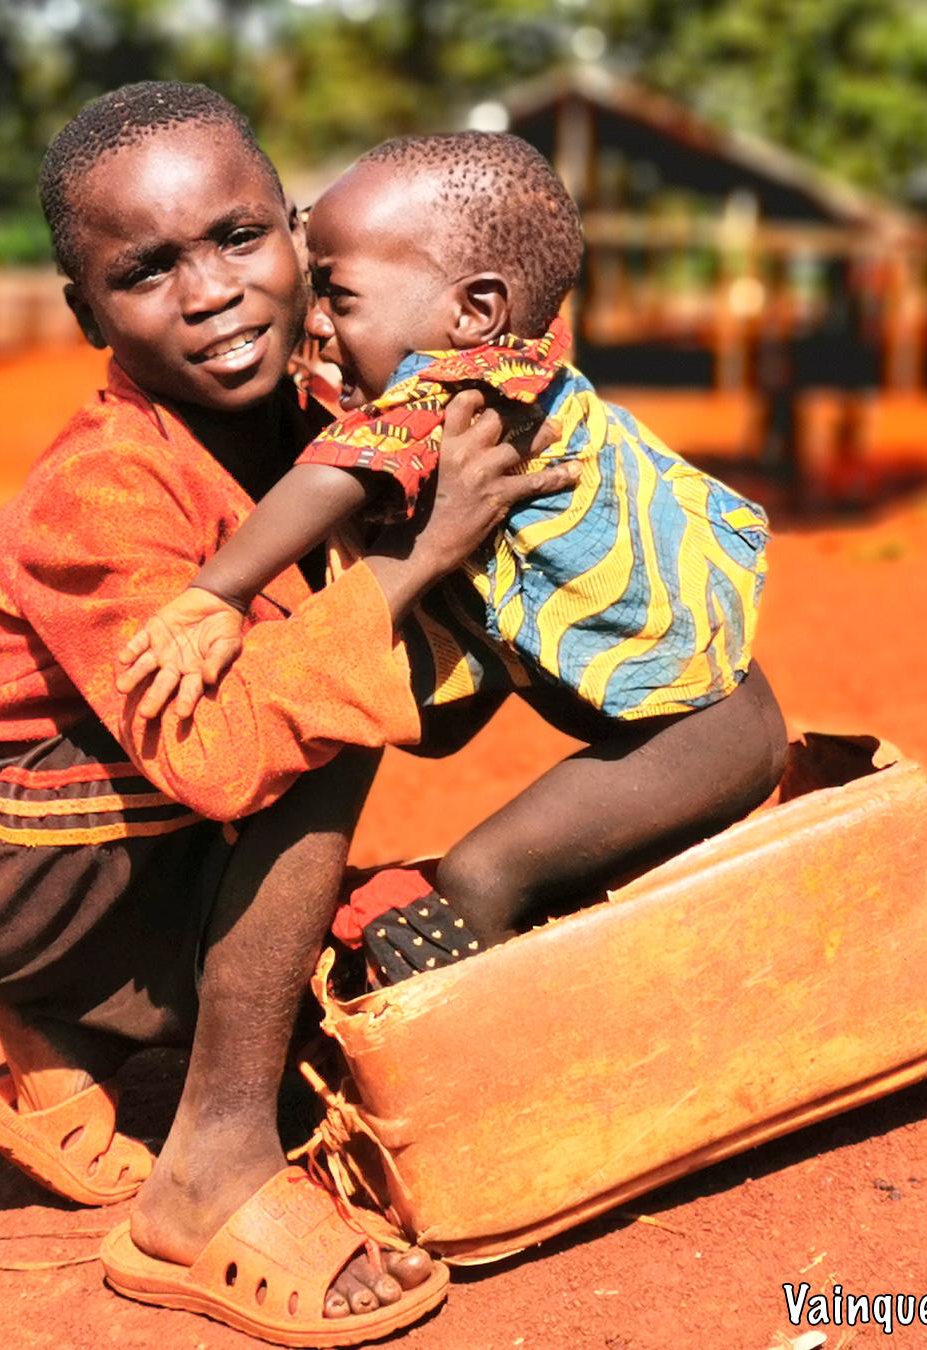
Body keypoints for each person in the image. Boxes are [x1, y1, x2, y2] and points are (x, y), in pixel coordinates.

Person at [0, 83, 578, 1344]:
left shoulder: (334, 399)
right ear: (86, 312)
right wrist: (414, 559)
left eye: (239, 238)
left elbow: (522, 323)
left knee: (366, 684)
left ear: (297, 235)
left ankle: (77, 1030)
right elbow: (226, 751)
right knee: (309, 713)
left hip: (116, 822)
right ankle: (209, 1170)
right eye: (147, 271)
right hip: (0, 855)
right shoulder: (103, 489)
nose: (210, 292)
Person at [117, 132, 789, 985]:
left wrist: (219, 591)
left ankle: (475, 985)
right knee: (552, 860)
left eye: (338, 296)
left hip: (701, 735)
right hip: (692, 715)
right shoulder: (517, 359)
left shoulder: (466, 389)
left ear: (473, 313)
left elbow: (340, 470)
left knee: (484, 872)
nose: (314, 320)